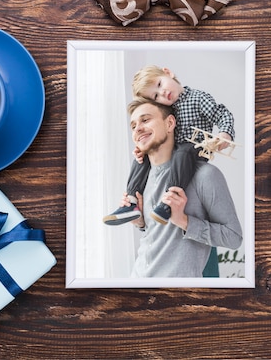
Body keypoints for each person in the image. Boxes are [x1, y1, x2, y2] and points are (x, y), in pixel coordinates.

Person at [120, 98, 243, 277]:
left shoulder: (205, 175)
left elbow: (234, 237)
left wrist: (184, 221)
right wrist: (140, 223)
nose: (138, 128)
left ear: (170, 123)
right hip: (137, 282)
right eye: (133, 125)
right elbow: (160, 235)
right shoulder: (142, 178)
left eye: (145, 120)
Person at [103, 65, 235, 225]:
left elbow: (221, 114)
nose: (163, 93)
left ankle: (169, 201)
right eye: (156, 96)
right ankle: (131, 202)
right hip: (174, 152)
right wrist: (142, 149)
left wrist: (224, 133)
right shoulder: (167, 108)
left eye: (159, 85)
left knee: (183, 151)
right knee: (142, 159)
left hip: (195, 148)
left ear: (168, 73)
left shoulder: (198, 98)